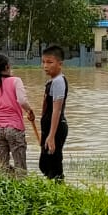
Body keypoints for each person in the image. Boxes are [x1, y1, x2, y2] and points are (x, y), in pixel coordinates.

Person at [0, 53, 35, 175]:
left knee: (2, 166)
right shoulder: (16, 80)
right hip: (14, 128)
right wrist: (29, 111)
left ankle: (2, 188)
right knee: (20, 165)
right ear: (7, 67)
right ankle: (23, 189)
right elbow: (22, 100)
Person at [37, 45, 69, 181]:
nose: (45, 66)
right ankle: (53, 190)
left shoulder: (59, 82)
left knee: (53, 165)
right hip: (49, 127)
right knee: (44, 164)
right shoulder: (51, 81)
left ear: (60, 64)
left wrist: (51, 135)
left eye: (50, 62)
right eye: (43, 62)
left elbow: (57, 109)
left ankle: (59, 193)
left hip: (55, 128)